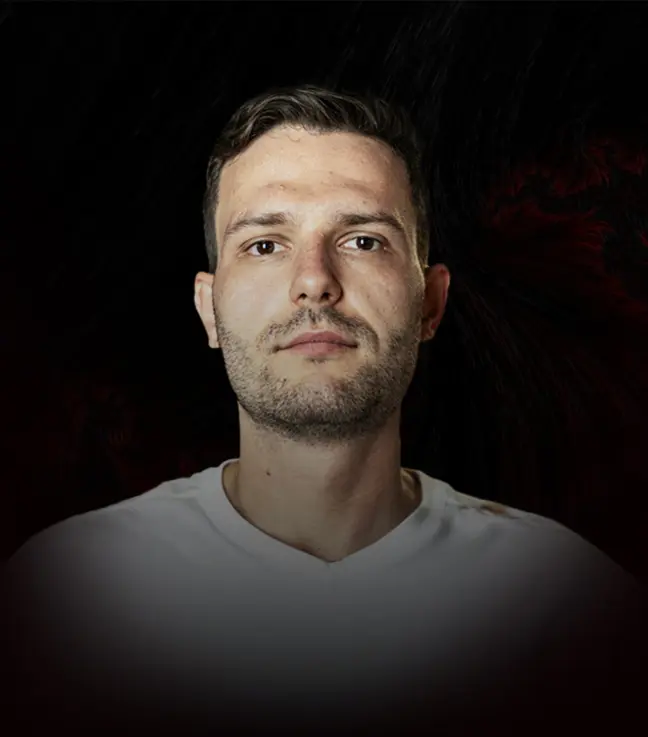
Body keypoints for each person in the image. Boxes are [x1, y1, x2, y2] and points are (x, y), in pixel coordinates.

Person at [3, 85, 647, 737]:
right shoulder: (66, 597)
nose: (314, 280)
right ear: (209, 310)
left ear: (429, 303)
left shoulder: (567, 604)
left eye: (363, 240)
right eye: (264, 245)